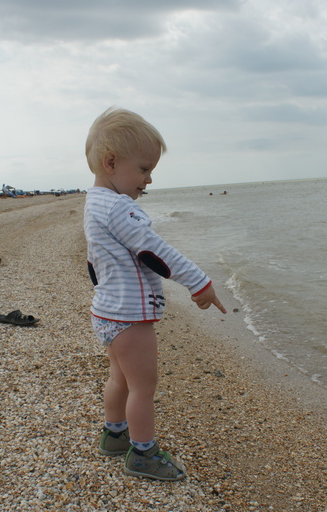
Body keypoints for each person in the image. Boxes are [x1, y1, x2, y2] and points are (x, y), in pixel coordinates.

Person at [83, 107, 227, 481]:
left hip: (107, 312)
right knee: (143, 388)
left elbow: (95, 262)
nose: (149, 179)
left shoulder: (95, 202)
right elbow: (154, 251)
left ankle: (115, 435)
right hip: (130, 316)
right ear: (111, 162)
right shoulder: (120, 207)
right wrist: (200, 283)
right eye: (144, 169)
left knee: (120, 378)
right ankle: (143, 453)